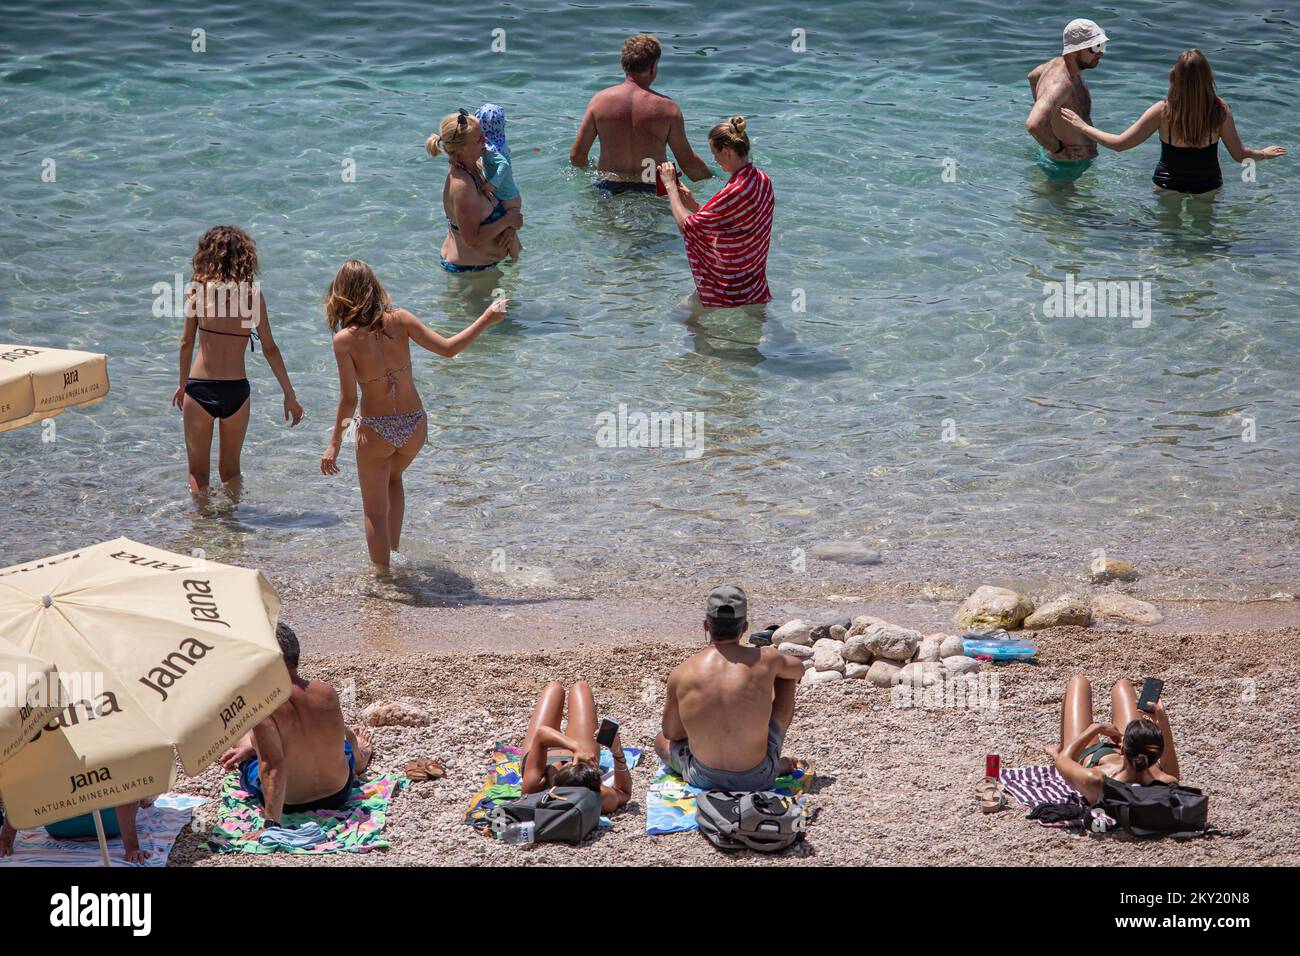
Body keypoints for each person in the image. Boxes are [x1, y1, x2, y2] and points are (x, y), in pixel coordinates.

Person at [319, 259, 507, 570]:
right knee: (394, 477)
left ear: (340, 295)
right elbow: (448, 349)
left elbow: (349, 398)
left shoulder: (344, 341)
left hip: (376, 430)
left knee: (373, 513)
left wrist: (334, 444)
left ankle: (383, 577)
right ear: (374, 288)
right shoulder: (401, 320)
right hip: (414, 425)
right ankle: (395, 555)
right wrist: (486, 318)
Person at [171, 225, 304, 495]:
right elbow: (270, 348)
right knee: (231, 471)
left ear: (206, 253)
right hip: (236, 391)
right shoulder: (252, 296)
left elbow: (186, 343)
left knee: (198, 472)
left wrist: (182, 384)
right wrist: (289, 394)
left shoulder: (197, 291)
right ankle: (233, 527)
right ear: (246, 256)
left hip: (200, 388)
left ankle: (201, 528)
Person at [1060, 49, 1286, 195]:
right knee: (1204, 243)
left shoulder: (1163, 111)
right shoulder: (1220, 110)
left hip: (1167, 186)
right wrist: (1264, 154)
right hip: (1207, 187)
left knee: (1167, 247)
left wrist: (1083, 126)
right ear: (1208, 78)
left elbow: (1119, 144)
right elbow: (1240, 156)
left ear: (1174, 76)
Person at [218, 623, 374, 827]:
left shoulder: (264, 707)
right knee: (338, 740)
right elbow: (341, 733)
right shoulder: (326, 692)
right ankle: (360, 758)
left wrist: (271, 823)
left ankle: (254, 747)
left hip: (291, 803)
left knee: (239, 731)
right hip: (339, 793)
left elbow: (273, 767)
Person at [655, 584, 804, 791]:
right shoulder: (766, 659)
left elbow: (672, 732)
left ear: (706, 626)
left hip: (703, 777)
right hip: (759, 777)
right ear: (744, 628)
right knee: (785, 675)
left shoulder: (682, 672)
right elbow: (798, 670)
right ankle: (774, 764)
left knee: (660, 740)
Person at [569, 33, 711, 192]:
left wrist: (596, 171)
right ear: (652, 67)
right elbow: (688, 164)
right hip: (652, 187)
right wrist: (719, 183)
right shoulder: (668, 109)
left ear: (623, 64)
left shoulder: (599, 102)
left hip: (609, 186)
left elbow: (577, 156)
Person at [659, 116, 774, 308]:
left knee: (683, 320)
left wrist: (670, 187)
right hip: (754, 283)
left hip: (729, 287)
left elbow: (687, 228)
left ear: (727, 152)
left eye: (715, 153)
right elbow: (735, 225)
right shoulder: (761, 179)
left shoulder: (735, 189)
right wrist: (694, 205)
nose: (715, 160)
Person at [1043, 674, 1180, 805]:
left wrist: (1096, 728)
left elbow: (1063, 760)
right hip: (1131, 755)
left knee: (1078, 682)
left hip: (1088, 753)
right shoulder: (1163, 780)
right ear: (1156, 756)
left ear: (1121, 748)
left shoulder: (1095, 779)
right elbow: (1174, 774)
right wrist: (1161, 718)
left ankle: (1063, 744)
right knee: (1123, 685)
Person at [427, 110, 524, 273]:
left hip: (490, 268)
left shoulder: (476, 166)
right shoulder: (462, 186)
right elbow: (472, 239)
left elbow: (506, 197)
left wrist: (509, 227)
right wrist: (508, 221)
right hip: (471, 274)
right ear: (461, 149)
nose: (486, 140)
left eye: (484, 135)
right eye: (479, 139)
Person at [519, 680, 633, 815]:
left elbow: (542, 735)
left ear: (554, 782)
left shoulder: (535, 787)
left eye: (566, 765)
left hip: (542, 748)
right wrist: (617, 752)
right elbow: (624, 793)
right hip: (578, 749)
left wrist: (575, 747)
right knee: (581, 687)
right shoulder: (598, 796)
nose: (567, 761)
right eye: (585, 764)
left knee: (554, 688)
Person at [1025, 19, 1109, 182]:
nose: (1100, 53)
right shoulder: (1061, 84)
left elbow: (1032, 77)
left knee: (1053, 205)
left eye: (1102, 46)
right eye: (1094, 48)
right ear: (1074, 51)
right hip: (1066, 165)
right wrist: (1058, 148)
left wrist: (1046, 111)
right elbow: (1033, 125)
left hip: (1069, 163)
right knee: (1061, 206)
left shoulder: (1054, 65)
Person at [1, 801, 154, 863]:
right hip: (110, 823)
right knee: (125, 774)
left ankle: (146, 798)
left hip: (59, 824)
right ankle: (147, 799)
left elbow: (23, 786)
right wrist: (132, 848)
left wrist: (6, 840)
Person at [473, 103, 523, 261]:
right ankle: (520, 249)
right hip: (510, 195)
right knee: (509, 231)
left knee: (508, 235)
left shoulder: (490, 149)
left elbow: (503, 164)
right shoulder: (500, 143)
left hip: (507, 198)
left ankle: (515, 260)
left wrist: (492, 184)